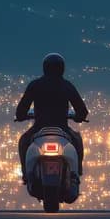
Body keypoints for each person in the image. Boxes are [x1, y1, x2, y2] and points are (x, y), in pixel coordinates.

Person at [15, 53, 89, 182]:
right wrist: (78, 117)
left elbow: (20, 111)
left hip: (39, 128)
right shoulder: (67, 86)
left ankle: (26, 174)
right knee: (77, 140)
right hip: (62, 128)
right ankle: (76, 174)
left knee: (23, 141)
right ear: (62, 68)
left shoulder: (35, 85)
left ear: (44, 68)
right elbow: (82, 111)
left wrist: (22, 116)